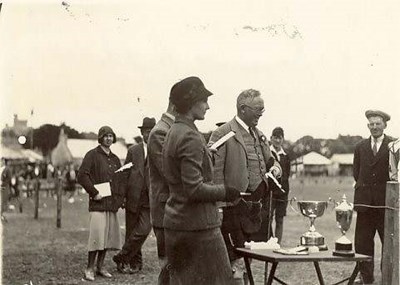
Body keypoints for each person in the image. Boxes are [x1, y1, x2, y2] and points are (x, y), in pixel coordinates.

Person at [162, 76, 240, 285]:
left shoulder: (174, 131)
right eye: (204, 101)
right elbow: (194, 189)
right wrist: (226, 191)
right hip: (198, 228)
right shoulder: (190, 136)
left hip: (177, 223)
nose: (208, 106)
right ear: (190, 103)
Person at [209, 89, 281, 284]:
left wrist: (275, 167)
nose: (261, 113)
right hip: (233, 208)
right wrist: (219, 207)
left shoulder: (259, 134)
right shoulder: (222, 133)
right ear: (243, 109)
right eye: (258, 109)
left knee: (252, 258)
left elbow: (270, 160)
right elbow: (214, 174)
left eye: (263, 109)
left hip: (256, 209)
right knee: (236, 264)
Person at [78, 126, 124, 281]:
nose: (108, 139)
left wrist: (120, 199)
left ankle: (100, 266)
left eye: (111, 136)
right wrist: (94, 192)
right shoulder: (92, 155)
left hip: (111, 204)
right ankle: (89, 268)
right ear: (100, 138)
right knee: (96, 236)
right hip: (98, 203)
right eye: (105, 136)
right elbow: (82, 176)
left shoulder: (116, 159)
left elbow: (119, 180)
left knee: (107, 237)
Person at [353, 110, 394, 284]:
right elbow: (357, 173)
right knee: (362, 243)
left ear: (385, 125)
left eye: (378, 123)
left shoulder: (394, 145)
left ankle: (388, 277)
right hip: (364, 205)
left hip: (386, 204)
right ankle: (365, 277)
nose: (374, 127)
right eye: (371, 124)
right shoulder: (360, 146)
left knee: (389, 244)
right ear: (367, 125)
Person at [113, 117, 155, 274]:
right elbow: (125, 174)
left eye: (151, 132)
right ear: (142, 132)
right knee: (131, 231)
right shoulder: (133, 150)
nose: (148, 135)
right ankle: (135, 263)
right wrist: (123, 197)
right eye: (146, 132)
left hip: (150, 198)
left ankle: (122, 256)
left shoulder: (159, 150)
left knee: (143, 230)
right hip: (133, 196)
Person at [148, 91, 178, 285]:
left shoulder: (171, 129)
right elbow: (170, 172)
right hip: (166, 209)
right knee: (168, 268)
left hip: (173, 209)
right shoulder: (161, 131)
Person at [269, 127, 291, 244]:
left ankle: (277, 244)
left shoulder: (285, 156)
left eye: (280, 138)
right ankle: (270, 243)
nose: (277, 140)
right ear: (271, 138)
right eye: (275, 138)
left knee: (280, 219)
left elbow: (287, 175)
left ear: (283, 139)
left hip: (282, 193)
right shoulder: (267, 153)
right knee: (268, 219)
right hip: (270, 193)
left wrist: (285, 191)